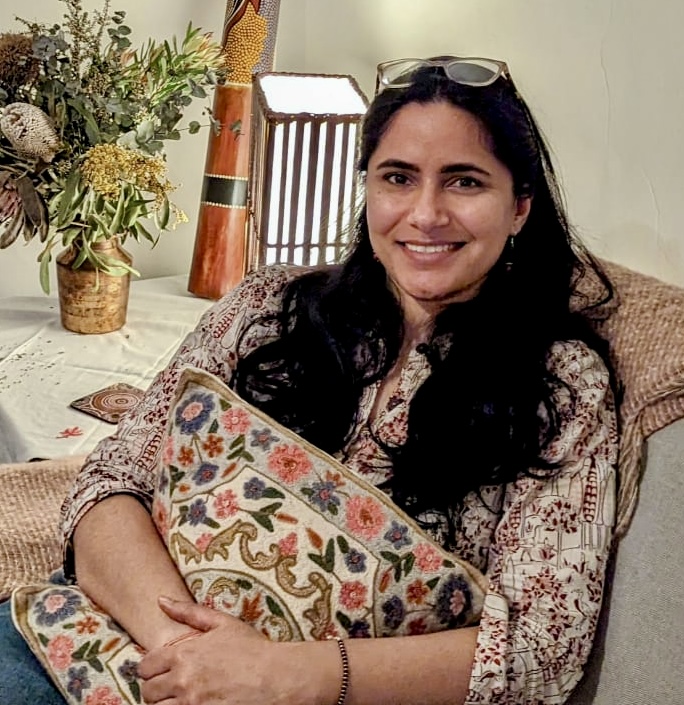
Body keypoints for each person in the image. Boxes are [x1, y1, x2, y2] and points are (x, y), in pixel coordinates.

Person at [0, 55, 617, 704]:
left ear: (520, 206)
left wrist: (281, 674)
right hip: (109, 640)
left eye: (464, 182)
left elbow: (537, 649)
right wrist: (186, 657)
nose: (425, 213)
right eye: (398, 177)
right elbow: (112, 479)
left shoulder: (561, 385)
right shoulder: (267, 307)